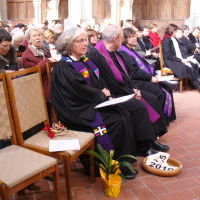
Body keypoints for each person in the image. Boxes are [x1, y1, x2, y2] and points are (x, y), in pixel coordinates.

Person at [51, 26, 165, 179]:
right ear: (69, 44)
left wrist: (105, 92)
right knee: (115, 120)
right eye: (80, 41)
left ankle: (125, 160)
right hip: (78, 110)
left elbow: (98, 81)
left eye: (85, 40)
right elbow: (79, 91)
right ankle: (108, 164)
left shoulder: (85, 61)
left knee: (123, 112)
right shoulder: (64, 67)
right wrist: (101, 95)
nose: (85, 44)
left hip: (92, 103)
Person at [88, 25, 169, 151]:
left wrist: (132, 89)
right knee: (138, 106)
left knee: (152, 98)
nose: (122, 40)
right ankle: (143, 146)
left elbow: (124, 74)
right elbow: (106, 81)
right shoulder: (96, 54)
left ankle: (152, 138)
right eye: (121, 37)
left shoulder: (115, 52)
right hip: (113, 93)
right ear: (115, 39)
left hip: (124, 88)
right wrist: (130, 92)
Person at [120, 27, 176, 122]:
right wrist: (150, 78)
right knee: (160, 93)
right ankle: (162, 121)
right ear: (125, 39)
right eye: (131, 37)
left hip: (143, 77)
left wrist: (153, 74)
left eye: (134, 36)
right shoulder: (124, 52)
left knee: (167, 88)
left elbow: (144, 63)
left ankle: (168, 118)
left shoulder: (132, 50)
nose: (135, 38)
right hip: (136, 81)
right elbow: (134, 72)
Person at [162, 25, 200, 90]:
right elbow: (168, 55)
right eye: (176, 31)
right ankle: (197, 86)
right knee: (188, 67)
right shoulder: (166, 40)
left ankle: (197, 83)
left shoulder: (173, 38)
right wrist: (181, 60)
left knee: (191, 64)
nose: (177, 33)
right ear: (172, 31)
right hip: (170, 61)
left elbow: (181, 49)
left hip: (176, 59)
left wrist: (184, 59)